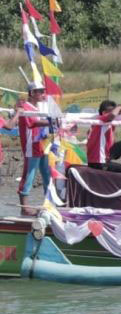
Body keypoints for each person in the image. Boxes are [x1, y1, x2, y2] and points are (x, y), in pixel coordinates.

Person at [17, 83, 52, 216]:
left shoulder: (38, 108)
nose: (44, 94)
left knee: (47, 175)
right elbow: (33, 122)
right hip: (31, 146)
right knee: (28, 176)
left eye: (44, 91)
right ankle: (24, 207)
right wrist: (52, 120)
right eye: (41, 92)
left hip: (42, 145)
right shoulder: (25, 107)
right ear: (32, 93)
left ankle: (49, 204)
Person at [87, 100, 121, 173]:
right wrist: (119, 107)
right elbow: (112, 116)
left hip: (101, 161)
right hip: (98, 163)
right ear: (104, 113)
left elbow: (115, 115)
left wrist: (120, 110)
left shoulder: (105, 123)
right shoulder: (102, 120)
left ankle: (109, 158)